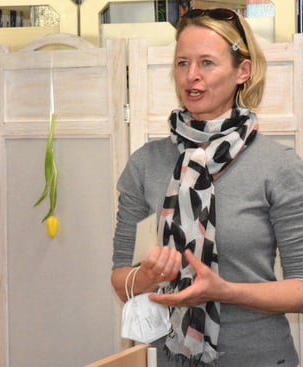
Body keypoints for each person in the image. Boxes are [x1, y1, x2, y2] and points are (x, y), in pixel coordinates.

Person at [111, 8, 303, 367]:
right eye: (182, 63)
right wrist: (148, 277)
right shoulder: (146, 163)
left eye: (207, 63)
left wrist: (225, 292)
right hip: (167, 358)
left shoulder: (278, 166)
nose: (192, 76)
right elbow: (121, 280)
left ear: (242, 71)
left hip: (258, 357)